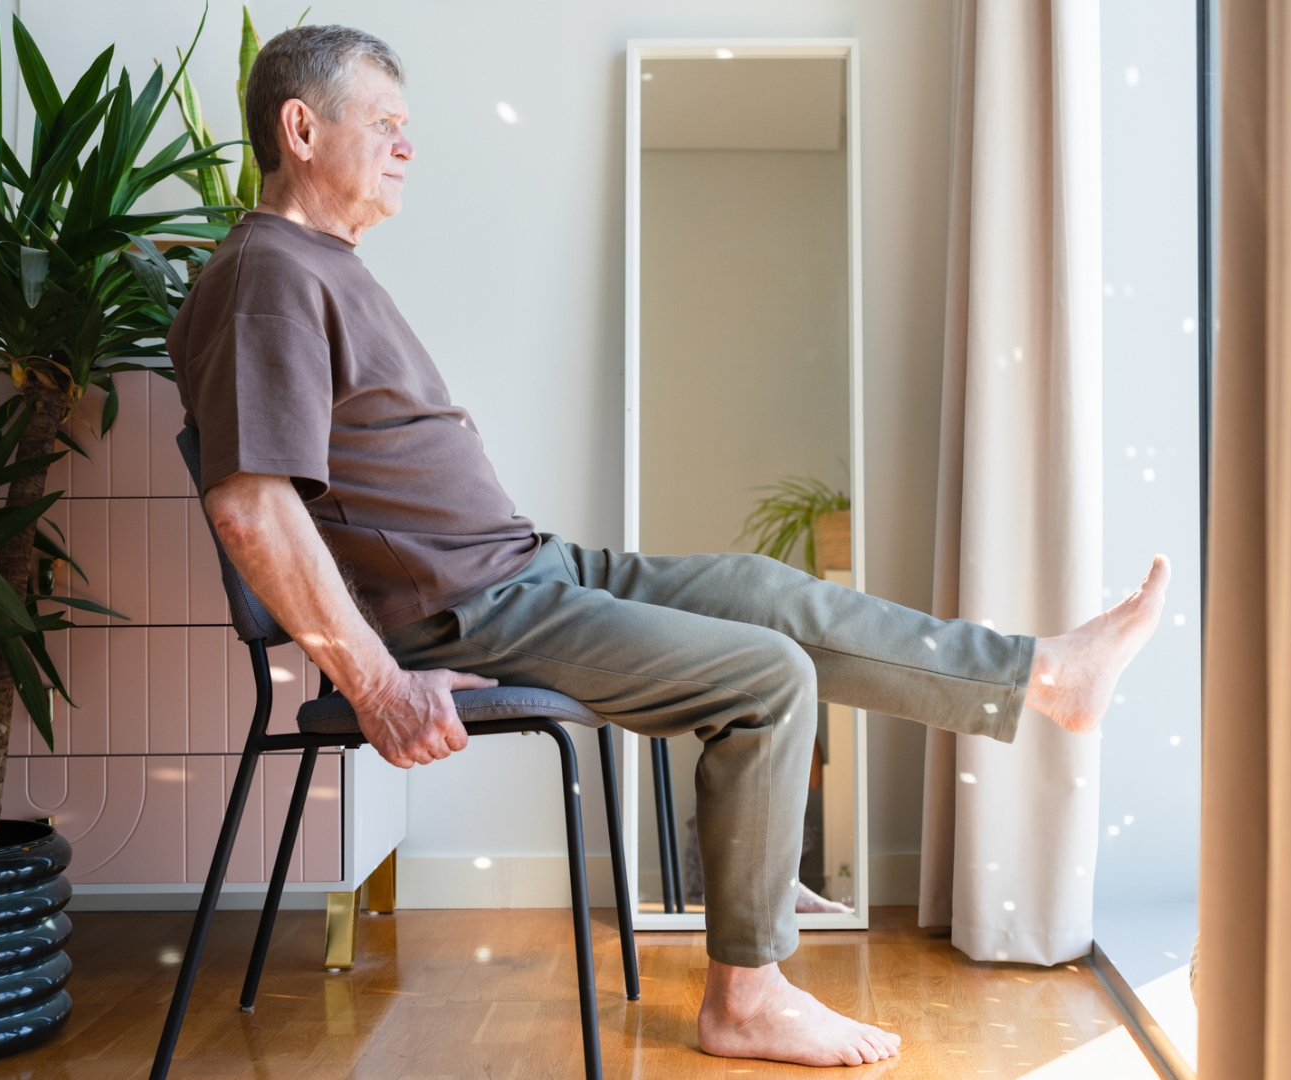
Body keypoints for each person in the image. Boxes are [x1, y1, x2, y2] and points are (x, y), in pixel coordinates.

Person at [168, 25, 1170, 1069]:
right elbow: (250, 507)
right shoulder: (268, 275)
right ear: (301, 127)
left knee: (761, 588)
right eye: (386, 124)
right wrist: (377, 683)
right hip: (473, 608)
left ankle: (1045, 677)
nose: (406, 147)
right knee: (769, 678)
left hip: (523, 573)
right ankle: (746, 997)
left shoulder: (312, 268)